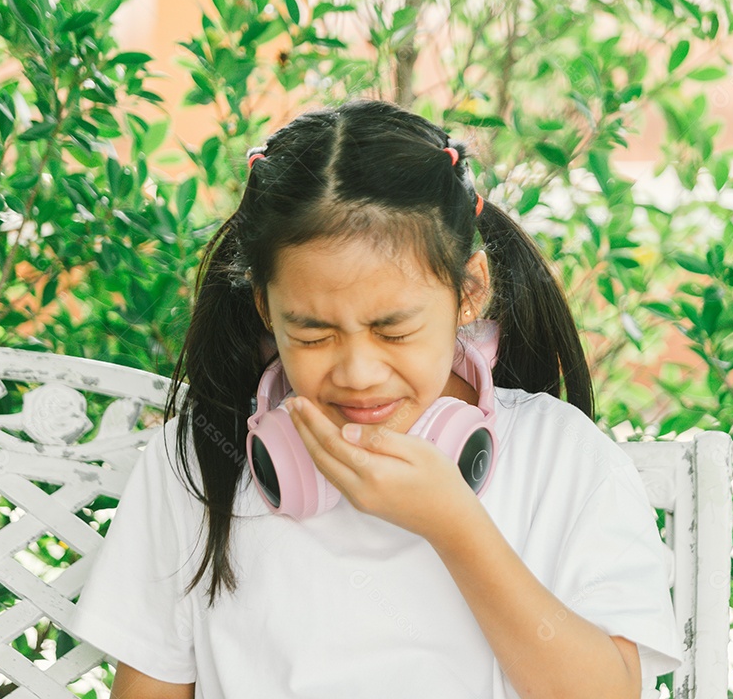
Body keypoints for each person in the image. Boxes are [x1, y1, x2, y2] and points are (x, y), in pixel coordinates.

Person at [69, 98, 682, 699]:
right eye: (312, 333)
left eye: (393, 330)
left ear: (469, 291)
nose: (358, 373)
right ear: (265, 309)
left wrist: (456, 527)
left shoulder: (561, 458)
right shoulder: (201, 462)